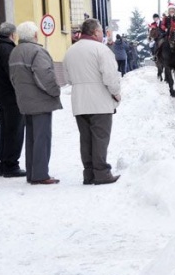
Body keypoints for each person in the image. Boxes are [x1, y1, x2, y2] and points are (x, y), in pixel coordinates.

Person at [63, 18, 122, 185]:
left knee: (86, 138)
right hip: (100, 100)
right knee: (100, 138)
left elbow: (67, 78)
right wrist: (116, 93)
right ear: (95, 32)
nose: (102, 34)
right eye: (101, 31)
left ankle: (88, 174)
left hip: (79, 101)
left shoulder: (70, 51)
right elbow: (110, 76)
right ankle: (102, 173)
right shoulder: (101, 50)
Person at [9, 21, 62, 185]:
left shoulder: (15, 52)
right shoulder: (37, 51)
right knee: (42, 138)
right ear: (35, 35)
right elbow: (44, 75)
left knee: (31, 138)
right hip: (40, 101)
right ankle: (40, 174)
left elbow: (13, 77)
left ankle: (32, 173)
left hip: (25, 100)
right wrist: (55, 91)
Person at [0, 22, 25, 178]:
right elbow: (13, 74)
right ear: (12, 35)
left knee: (5, 130)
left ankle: (4, 164)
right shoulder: (9, 50)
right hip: (11, 95)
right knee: (15, 130)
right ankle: (11, 165)